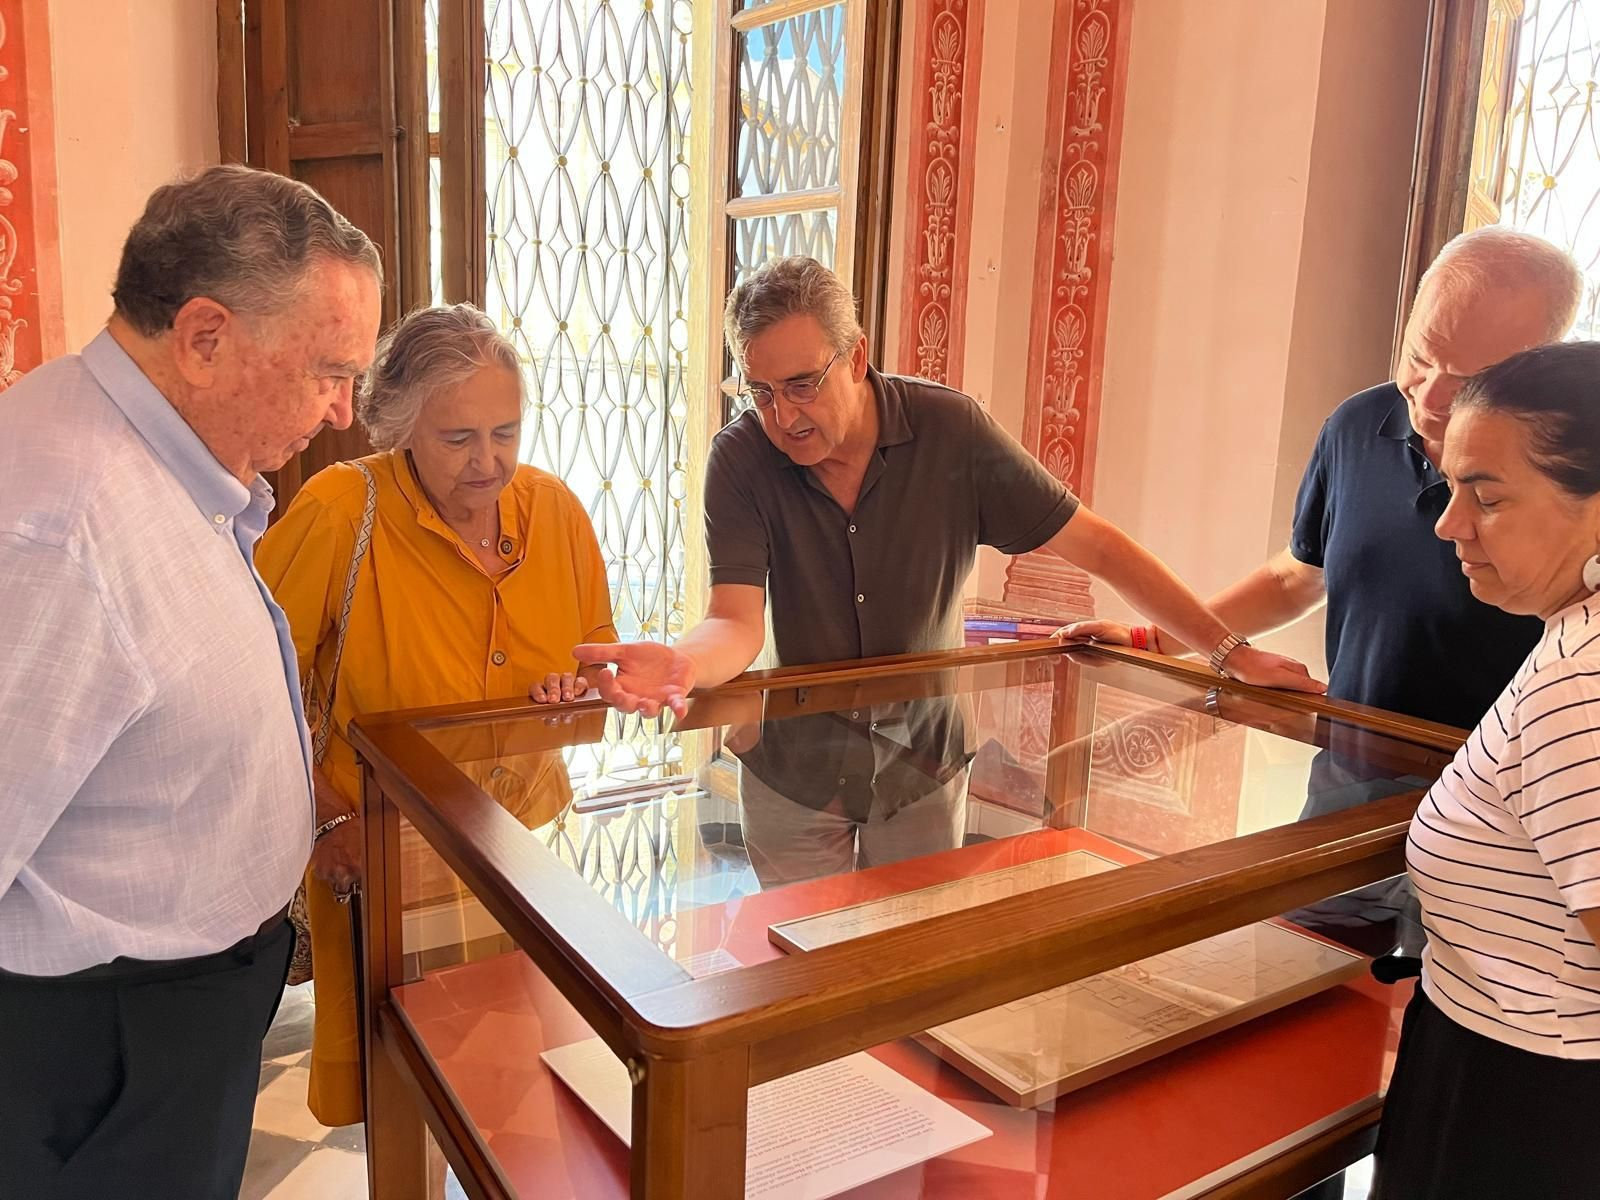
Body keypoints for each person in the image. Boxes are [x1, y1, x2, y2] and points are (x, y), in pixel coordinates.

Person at [576, 256, 1319, 882]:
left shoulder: (951, 431)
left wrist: (1230, 651)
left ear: (857, 357)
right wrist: (685, 663)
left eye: (802, 384)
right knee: (797, 977)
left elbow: (1098, 546)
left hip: (921, 767)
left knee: (912, 966)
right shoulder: (740, 459)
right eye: (761, 392)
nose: (784, 417)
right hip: (793, 771)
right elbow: (734, 621)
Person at [0, 166, 381, 1198]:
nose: (343, 412)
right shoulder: (61, 528)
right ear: (205, 337)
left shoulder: (161, 459)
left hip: (175, 1016)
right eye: (329, 371)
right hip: (101, 1049)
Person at [255, 302, 618, 1127]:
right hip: (384, 858)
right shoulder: (342, 510)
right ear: (401, 427)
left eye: (506, 432)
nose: (489, 463)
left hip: (519, 852)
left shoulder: (555, 511)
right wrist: (324, 819)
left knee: (514, 1085)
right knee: (410, 1093)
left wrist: (579, 688)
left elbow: (596, 650)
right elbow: (250, 689)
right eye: (458, 439)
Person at [1068, 226, 1582, 732]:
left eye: (1468, 381)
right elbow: (1296, 578)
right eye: (1420, 358)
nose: (1428, 396)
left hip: (1499, 775)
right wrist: (1155, 640)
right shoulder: (1357, 425)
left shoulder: (1570, 475)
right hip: (1347, 757)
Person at [1370, 341, 1600, 1198]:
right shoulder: (1574, 639)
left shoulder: (1581, 688)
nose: (1448, 524)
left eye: (1488, 496)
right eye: (1451, 487)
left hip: (1525, 1105)